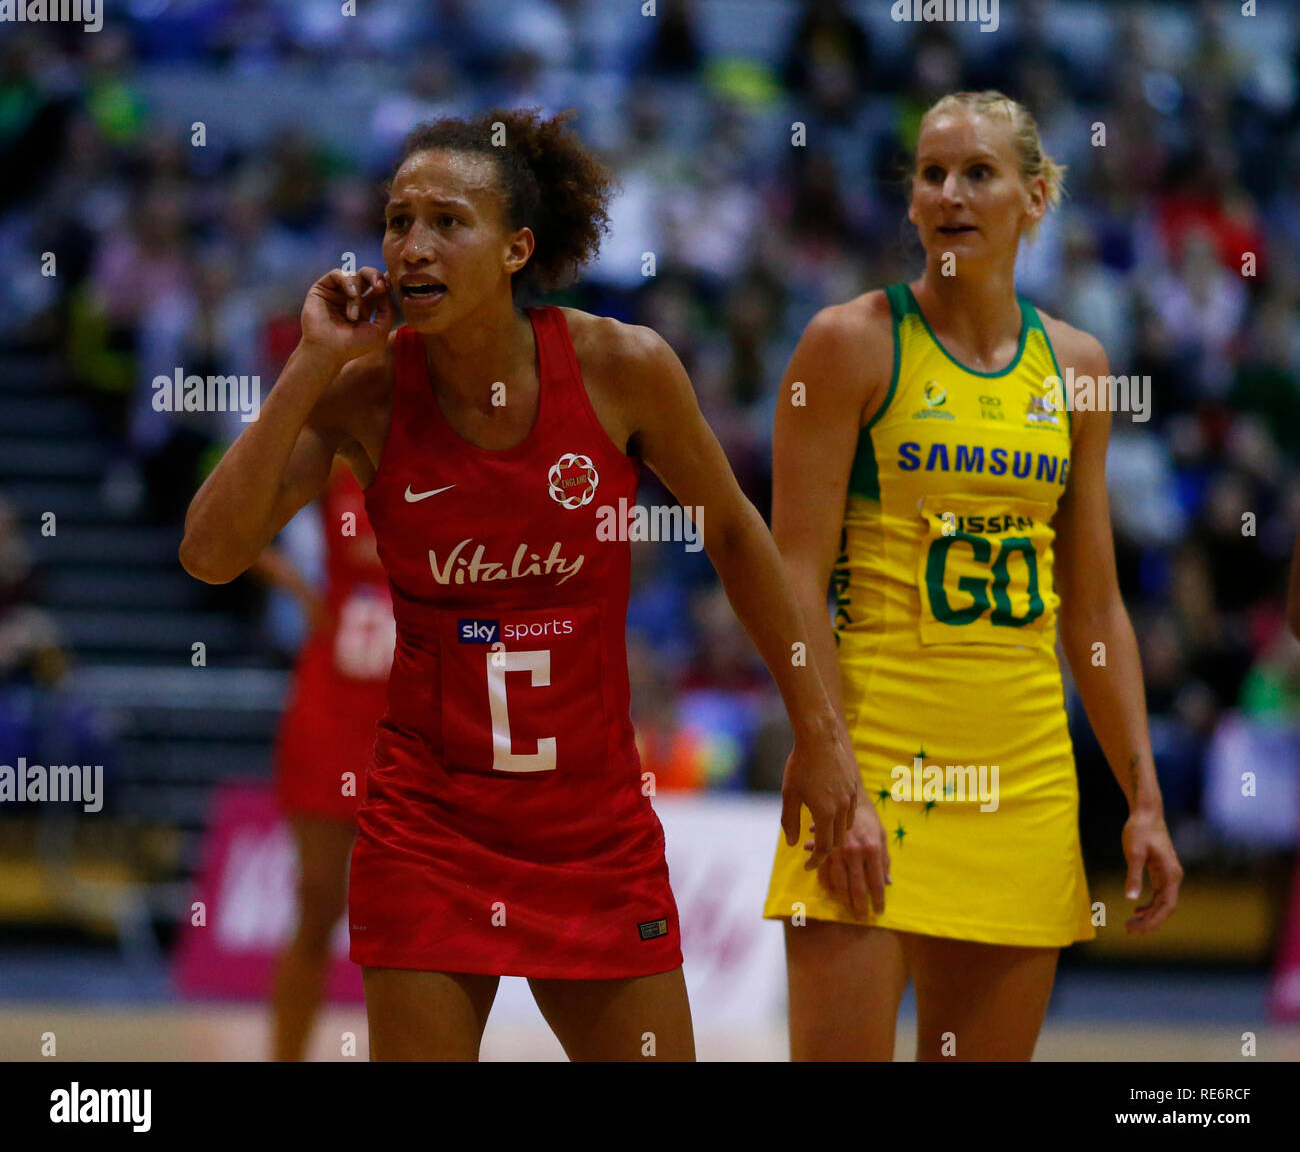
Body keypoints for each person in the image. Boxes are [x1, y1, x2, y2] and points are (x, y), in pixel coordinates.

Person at [180, 108, 859, 1062]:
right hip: (428, 831)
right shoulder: (367, 389)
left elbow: (742, 542)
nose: (413, 244)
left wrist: (821, 738)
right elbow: (209, 552)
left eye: (448, 221)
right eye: (397, 219)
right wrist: (309, 364)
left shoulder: (624, 367)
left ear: (516, 248)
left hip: (594, 829)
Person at [763, 90, 1184, 1062]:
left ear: (1035, 198)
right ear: (910, 200)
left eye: (978, 173)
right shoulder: (848, 343)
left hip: (1022, 777)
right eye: (930, 172)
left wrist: (1142, 798)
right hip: (868, 761)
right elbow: (789, 574)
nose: (949, 192)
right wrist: (825, 758)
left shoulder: (1077, 368)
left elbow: (1094, 607)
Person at [258, 461, 394, 1061]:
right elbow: (232, 522)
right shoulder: (334, 459)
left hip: (413, 710)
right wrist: (303, 594)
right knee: (317, 902)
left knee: (411, 920)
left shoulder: (452, 456)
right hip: (331, 704)